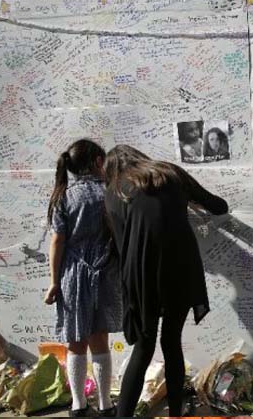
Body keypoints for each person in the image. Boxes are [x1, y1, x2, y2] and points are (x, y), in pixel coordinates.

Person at [103, 145, 228, 417]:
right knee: (172, 341)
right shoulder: (169, 173)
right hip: (180, 267)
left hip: (141, 274)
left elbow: (123, 244)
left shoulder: (114, 192)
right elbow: (219, 206)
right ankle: (175, 414)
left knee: (144, 347)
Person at [44, 139, 122, 417]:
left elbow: (57, 242)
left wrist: (54, 282)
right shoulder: (110, 193)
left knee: (74, 340)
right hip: (104, 272)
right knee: (99, 339)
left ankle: (78, 405)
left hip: (72, 274)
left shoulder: (63, 195)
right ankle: (105, 404)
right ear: (98, 162)